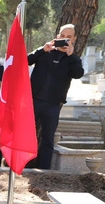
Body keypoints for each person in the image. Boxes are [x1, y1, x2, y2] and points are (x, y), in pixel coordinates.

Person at [28, 24, 84, 169]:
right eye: (62, 36)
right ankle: (24, 166)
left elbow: (78, 74)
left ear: (74, 39)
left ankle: (44, 170)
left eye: (69, 37)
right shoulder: (45, 52)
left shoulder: (73, 59)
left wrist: (71, 55)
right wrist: (42, 49)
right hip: (33, 101)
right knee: (27, 135)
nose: (65, 39)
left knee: (48, 139)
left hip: (53, 105)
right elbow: (26, 60)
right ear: (57, 36)